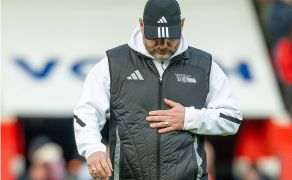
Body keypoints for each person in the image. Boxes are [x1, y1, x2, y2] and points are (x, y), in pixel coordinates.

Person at [73, 0, 243, 179]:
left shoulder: (204, 65)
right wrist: (92, 148)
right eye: (155, 37)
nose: (162, 44)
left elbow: (231, 118)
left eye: (170, 37)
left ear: (182, 25)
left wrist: (189, 118)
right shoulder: (113, 63)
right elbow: (86, 111)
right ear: (141, 24)